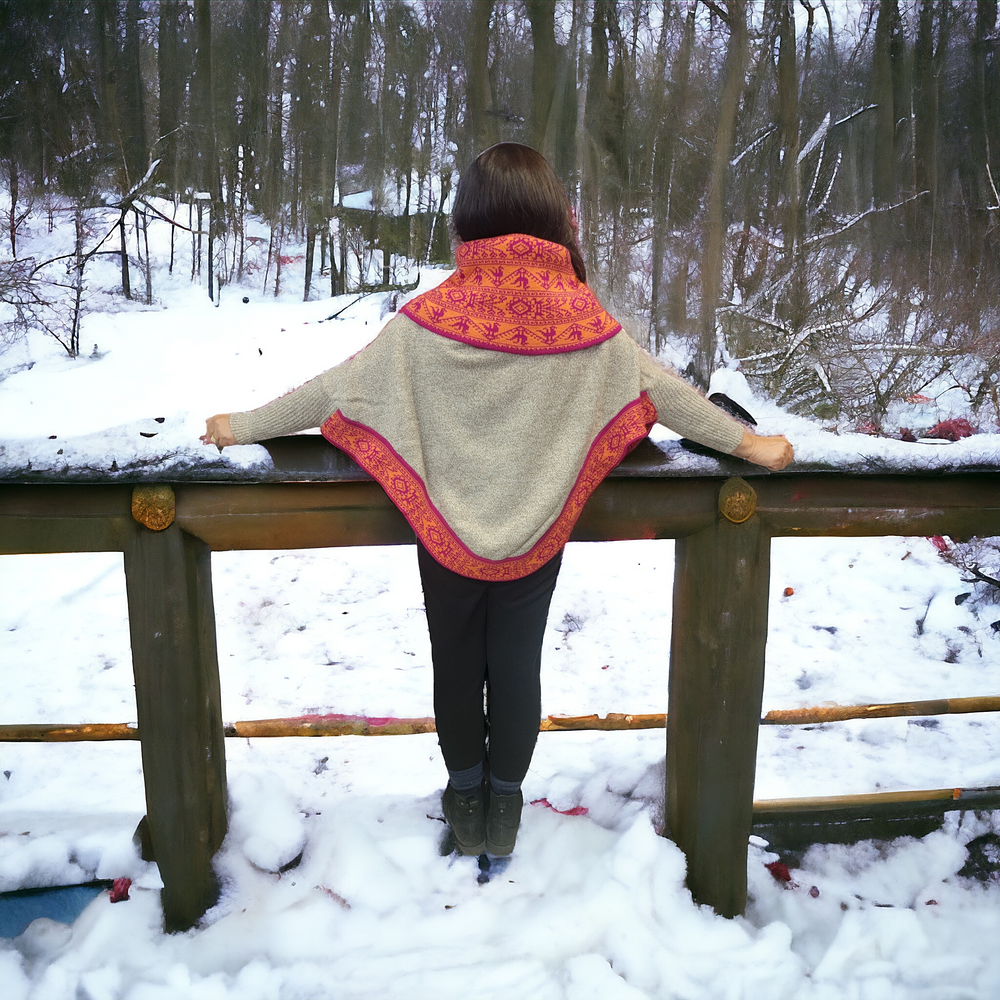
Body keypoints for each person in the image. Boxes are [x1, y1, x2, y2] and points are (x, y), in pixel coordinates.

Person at [203, 143, 793, 859]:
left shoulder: (426, 322)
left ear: (469, 221)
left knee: (454, 664)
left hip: (443, 529)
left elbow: (334, 391)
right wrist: (749, 445)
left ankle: (465, 800)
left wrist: (241, 426)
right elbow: (664, 394)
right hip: (537, 531)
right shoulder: (586, 323)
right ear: (553, 218)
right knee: (517, 667)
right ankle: (504, 812)